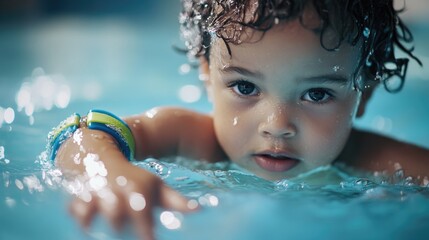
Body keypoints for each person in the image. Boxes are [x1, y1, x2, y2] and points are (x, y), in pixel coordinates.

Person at [49, 0, 428, 239]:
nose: (277, 124)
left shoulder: (374, 162)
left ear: (365, 94)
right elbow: (79, 132)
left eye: (317, 94)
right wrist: (105, 171)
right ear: (207, 75)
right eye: (245, 87)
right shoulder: (189, 138)